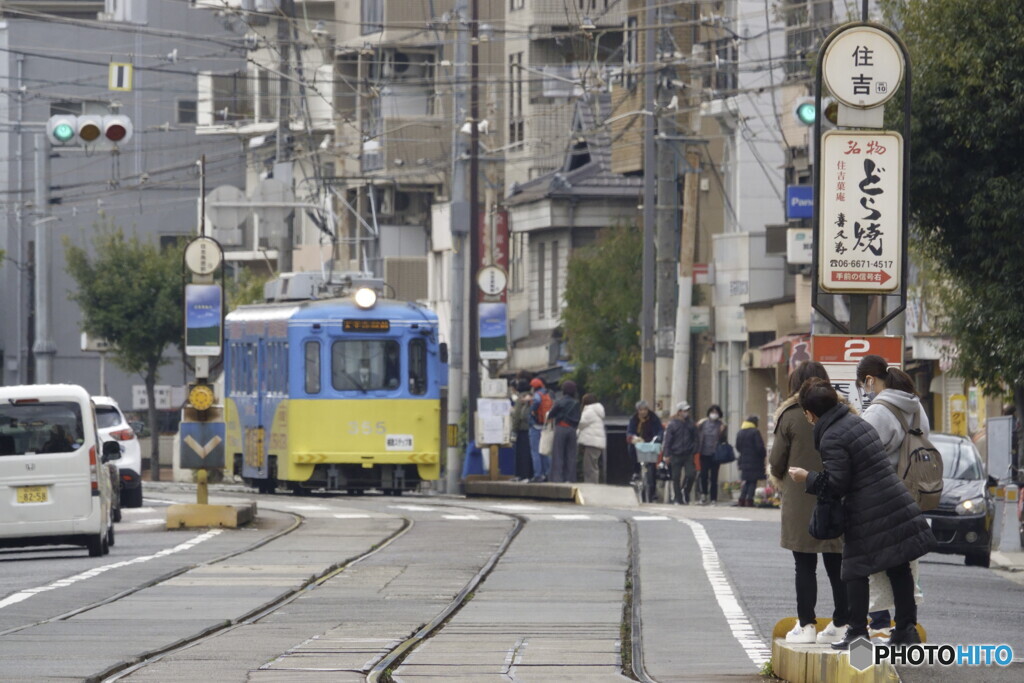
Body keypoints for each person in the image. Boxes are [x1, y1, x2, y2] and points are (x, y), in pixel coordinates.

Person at [789, 378, 935, 650]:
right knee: (898, 566)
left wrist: (806, 477)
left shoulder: (832, 436)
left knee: (854, 570)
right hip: (894, 499)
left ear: (811, 413)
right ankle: (906, 630)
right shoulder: (856, 422)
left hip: (868, 509)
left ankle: (857, 633)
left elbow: (837, 482)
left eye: (807, 414)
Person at [768, 361, 848, 644]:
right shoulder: (845, 412)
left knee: (804, 565)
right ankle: (841, 622)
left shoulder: (790, 416)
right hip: (838, 498)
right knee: (838, 563)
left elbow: (776, 462)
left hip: (801, 500)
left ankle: (807, 625)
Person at [856, 354, 930, 637]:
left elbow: (862, 453)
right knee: (903, 561)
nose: (864, 390)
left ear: (870, 380)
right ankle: (906, 626)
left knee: (873, 561)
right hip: (912, 491)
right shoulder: (915, 406)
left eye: (863, 384)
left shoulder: (877, 411)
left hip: (882, 494)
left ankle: (877, 624)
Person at [661, 401, 698, 504]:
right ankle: (678, 498)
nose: (686, 413)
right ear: (679, 412)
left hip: (688, 454)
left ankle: (686, 491)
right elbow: (668, 440)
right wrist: (667, 454)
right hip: (675, 454)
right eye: (684, 411)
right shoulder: (672, 425)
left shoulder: (691, 424)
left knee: (691, 474)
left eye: (687, 411)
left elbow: (696, 438)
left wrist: (694, 449)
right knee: (675, 477)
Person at [627, 400, 664, 501]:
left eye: (645, 409)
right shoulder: (634, 419)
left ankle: (652, 492)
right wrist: (632, 437)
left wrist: (659, 437)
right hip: (639, 443)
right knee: (631, 449)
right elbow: (630, 431)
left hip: (650, 444)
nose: (643, 412)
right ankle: (636, 471)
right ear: (637, 411)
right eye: (641, 410)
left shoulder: (654, 418)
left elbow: (660, 430)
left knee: (652, 468)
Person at [547, 380, 582, 483]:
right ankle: (570, 479)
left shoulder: (560, 401)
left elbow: (551, 414)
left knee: (558, 455)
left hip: (561, 428)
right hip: (572, 430)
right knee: (571, 455)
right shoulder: (576, 403)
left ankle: (557, 479)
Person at [695, 404, 727, 504]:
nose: (714, 414)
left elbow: (724, 440)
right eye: (712, 412)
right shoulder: (703, 423)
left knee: (714, 477)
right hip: (704, 453)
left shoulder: (721, 424)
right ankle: (703, 494)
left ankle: (713, 498)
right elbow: (695, 433)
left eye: (716, 412)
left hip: (715, 454)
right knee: (703, 475)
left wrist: (722, 431)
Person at [734, 415, 765, 507]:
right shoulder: (755, 432)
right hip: (754, 461)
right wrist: (763, 454)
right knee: (752, 481)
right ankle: (749, 500)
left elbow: (737, 446)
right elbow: (759, 447)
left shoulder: (740, 432)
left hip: (743, 460)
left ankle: (741, 499)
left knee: (747, 481)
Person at [577, 393, 606, 484]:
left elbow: (581, 423)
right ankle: (593, 483)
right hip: (597, 443)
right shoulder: (597, 410)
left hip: (591, 442)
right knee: (593, 465)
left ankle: (591, 485)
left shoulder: (589, 411)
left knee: (589, 467)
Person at [510, 379, 534, 482]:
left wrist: (514, 430)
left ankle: (521, 475)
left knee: (521, 453)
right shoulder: (532, 397)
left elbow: (516, 416)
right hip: (531, 428)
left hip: (521, 429)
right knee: (529, 453)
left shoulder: (520, 399)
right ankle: (529, 474)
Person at [528, 378, 552, 482]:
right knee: (545, 451)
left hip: (535, 426)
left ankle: (538, 475)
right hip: (545, 425)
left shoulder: (537, 395)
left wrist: (531, 411)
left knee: (535, 451)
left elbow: (536, 402)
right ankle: (548, 474)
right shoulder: (547, 394)